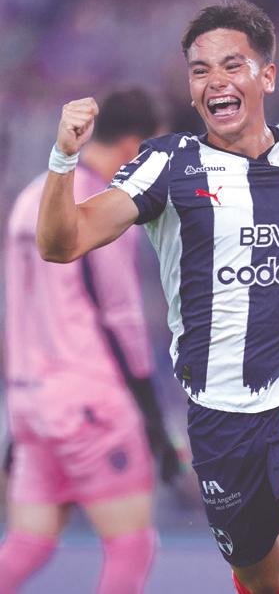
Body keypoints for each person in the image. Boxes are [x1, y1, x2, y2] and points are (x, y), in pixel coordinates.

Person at [34, 0, 279, 594]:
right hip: (219, 409)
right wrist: (64, 158)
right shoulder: (167, 167)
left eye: (232, 65)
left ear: (267, 76)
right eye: (200, 70)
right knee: (261, 579)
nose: (215, 81)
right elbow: (62, 244)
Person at [0, 88, 181, 594]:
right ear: (132, 148)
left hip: (31, 402)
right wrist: (152, 415)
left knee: (29, 543)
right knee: (132, 546)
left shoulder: (33, 196)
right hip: (90, 400)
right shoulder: (101, 207)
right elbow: (119, 316)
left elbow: (16, 312)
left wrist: (18, 416)